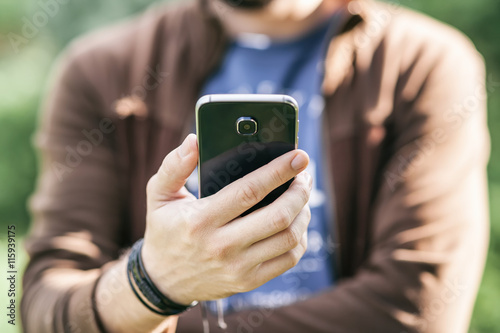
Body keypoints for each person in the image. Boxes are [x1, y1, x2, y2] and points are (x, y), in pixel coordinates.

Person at [21, 0, 490, 332]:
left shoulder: (422, 64)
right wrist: (154, 279)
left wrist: (139, 309)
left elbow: (416, 309)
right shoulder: (103, 71)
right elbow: (44, 306)